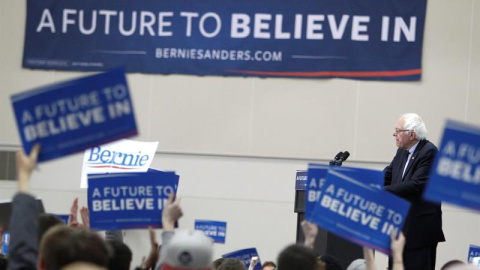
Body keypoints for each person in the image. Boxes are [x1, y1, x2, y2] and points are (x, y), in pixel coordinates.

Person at [383, 113, 445, 270]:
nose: (394, 134)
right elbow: (388, 174)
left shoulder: (429, 152)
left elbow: (416, 185)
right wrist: (368, 183)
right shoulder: (402, 151)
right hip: (399, 229)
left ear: (412, 134)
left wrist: (381, 191)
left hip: (419, 232)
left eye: (398, 130)